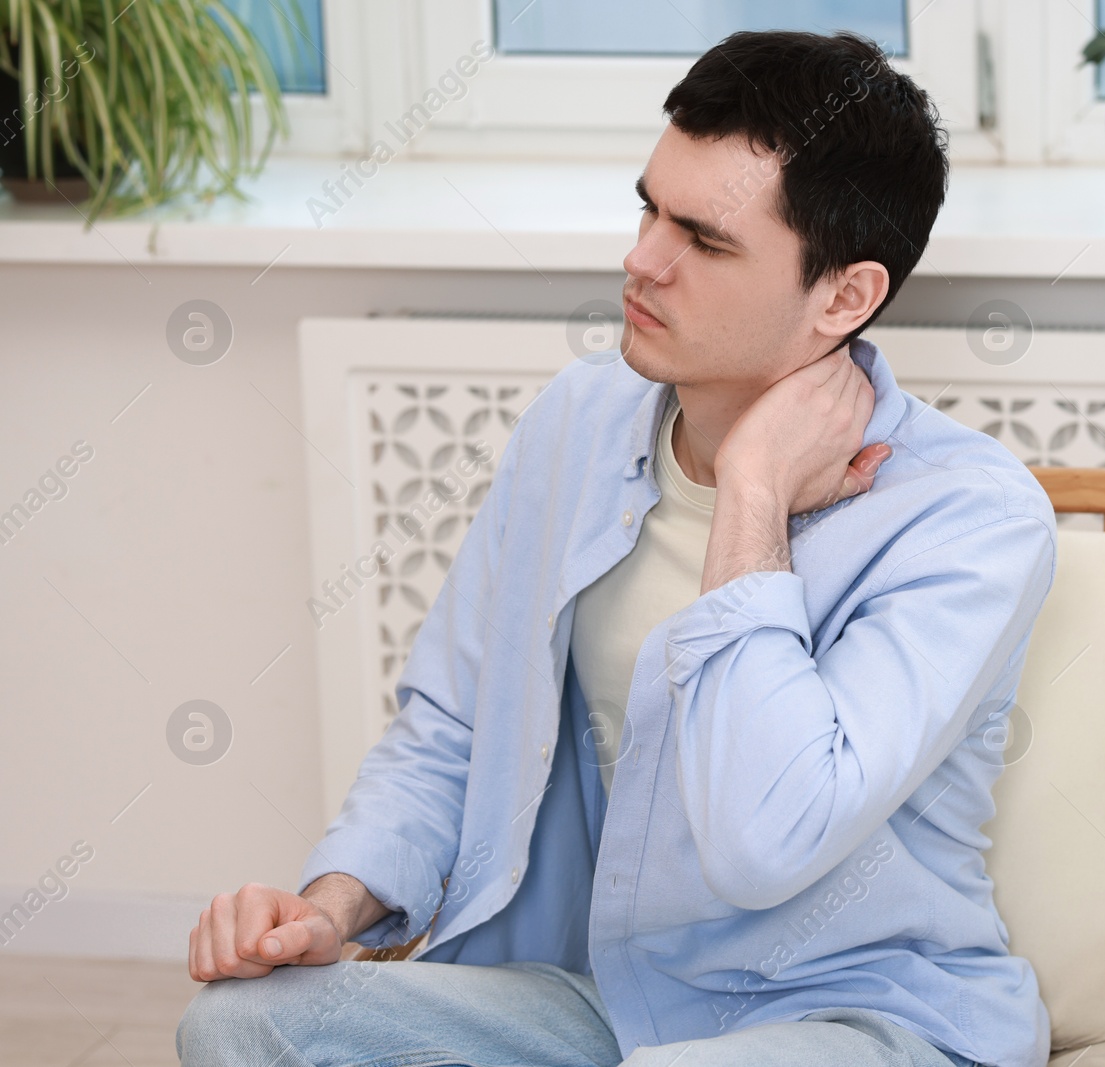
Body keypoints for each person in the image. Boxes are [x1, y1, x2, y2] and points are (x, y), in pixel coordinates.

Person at [177, 28, 1056, 1067]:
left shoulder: (970, 516)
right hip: (603, 1000)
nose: (641, 260)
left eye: (706, 239)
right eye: (648, 207)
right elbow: (453, 730)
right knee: (242, 1024)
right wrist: (332, 906)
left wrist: (754, 492)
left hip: (856, 1014)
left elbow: (760, 838)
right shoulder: (580, 421)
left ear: (845, 296)